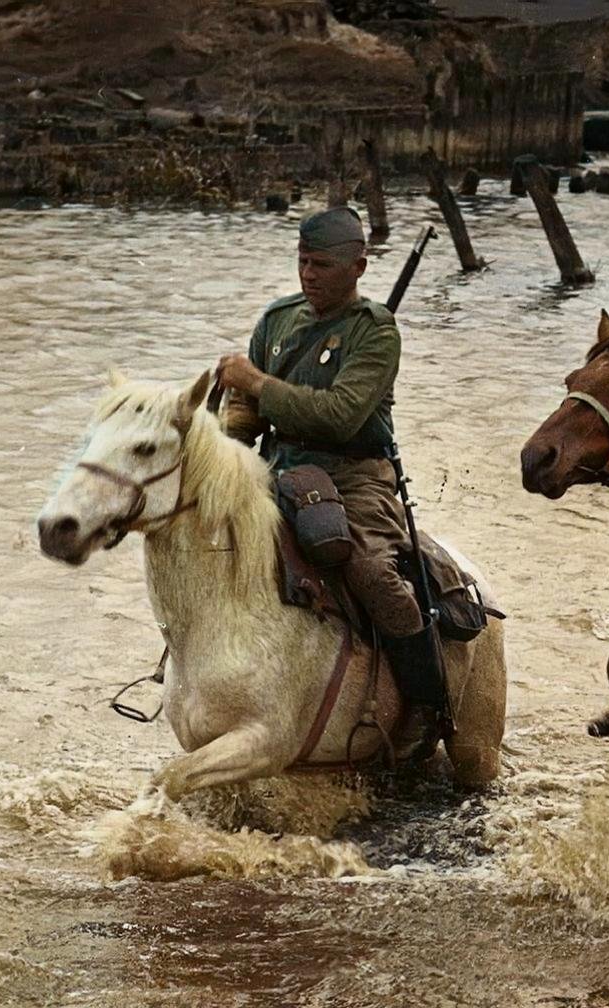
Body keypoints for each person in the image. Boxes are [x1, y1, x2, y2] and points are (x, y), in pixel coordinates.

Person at [216, 207, 443, 754]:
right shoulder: (277, 319)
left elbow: (340, 414)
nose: (308, 274)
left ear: (358, 267)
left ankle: (427, 703)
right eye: (302, 261)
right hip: (278, 469)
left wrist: (256, 382)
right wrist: (223, 447)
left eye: (320, 264)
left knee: (368, 571)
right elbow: (245, 414)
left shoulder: (376, 333)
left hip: (354, 476)